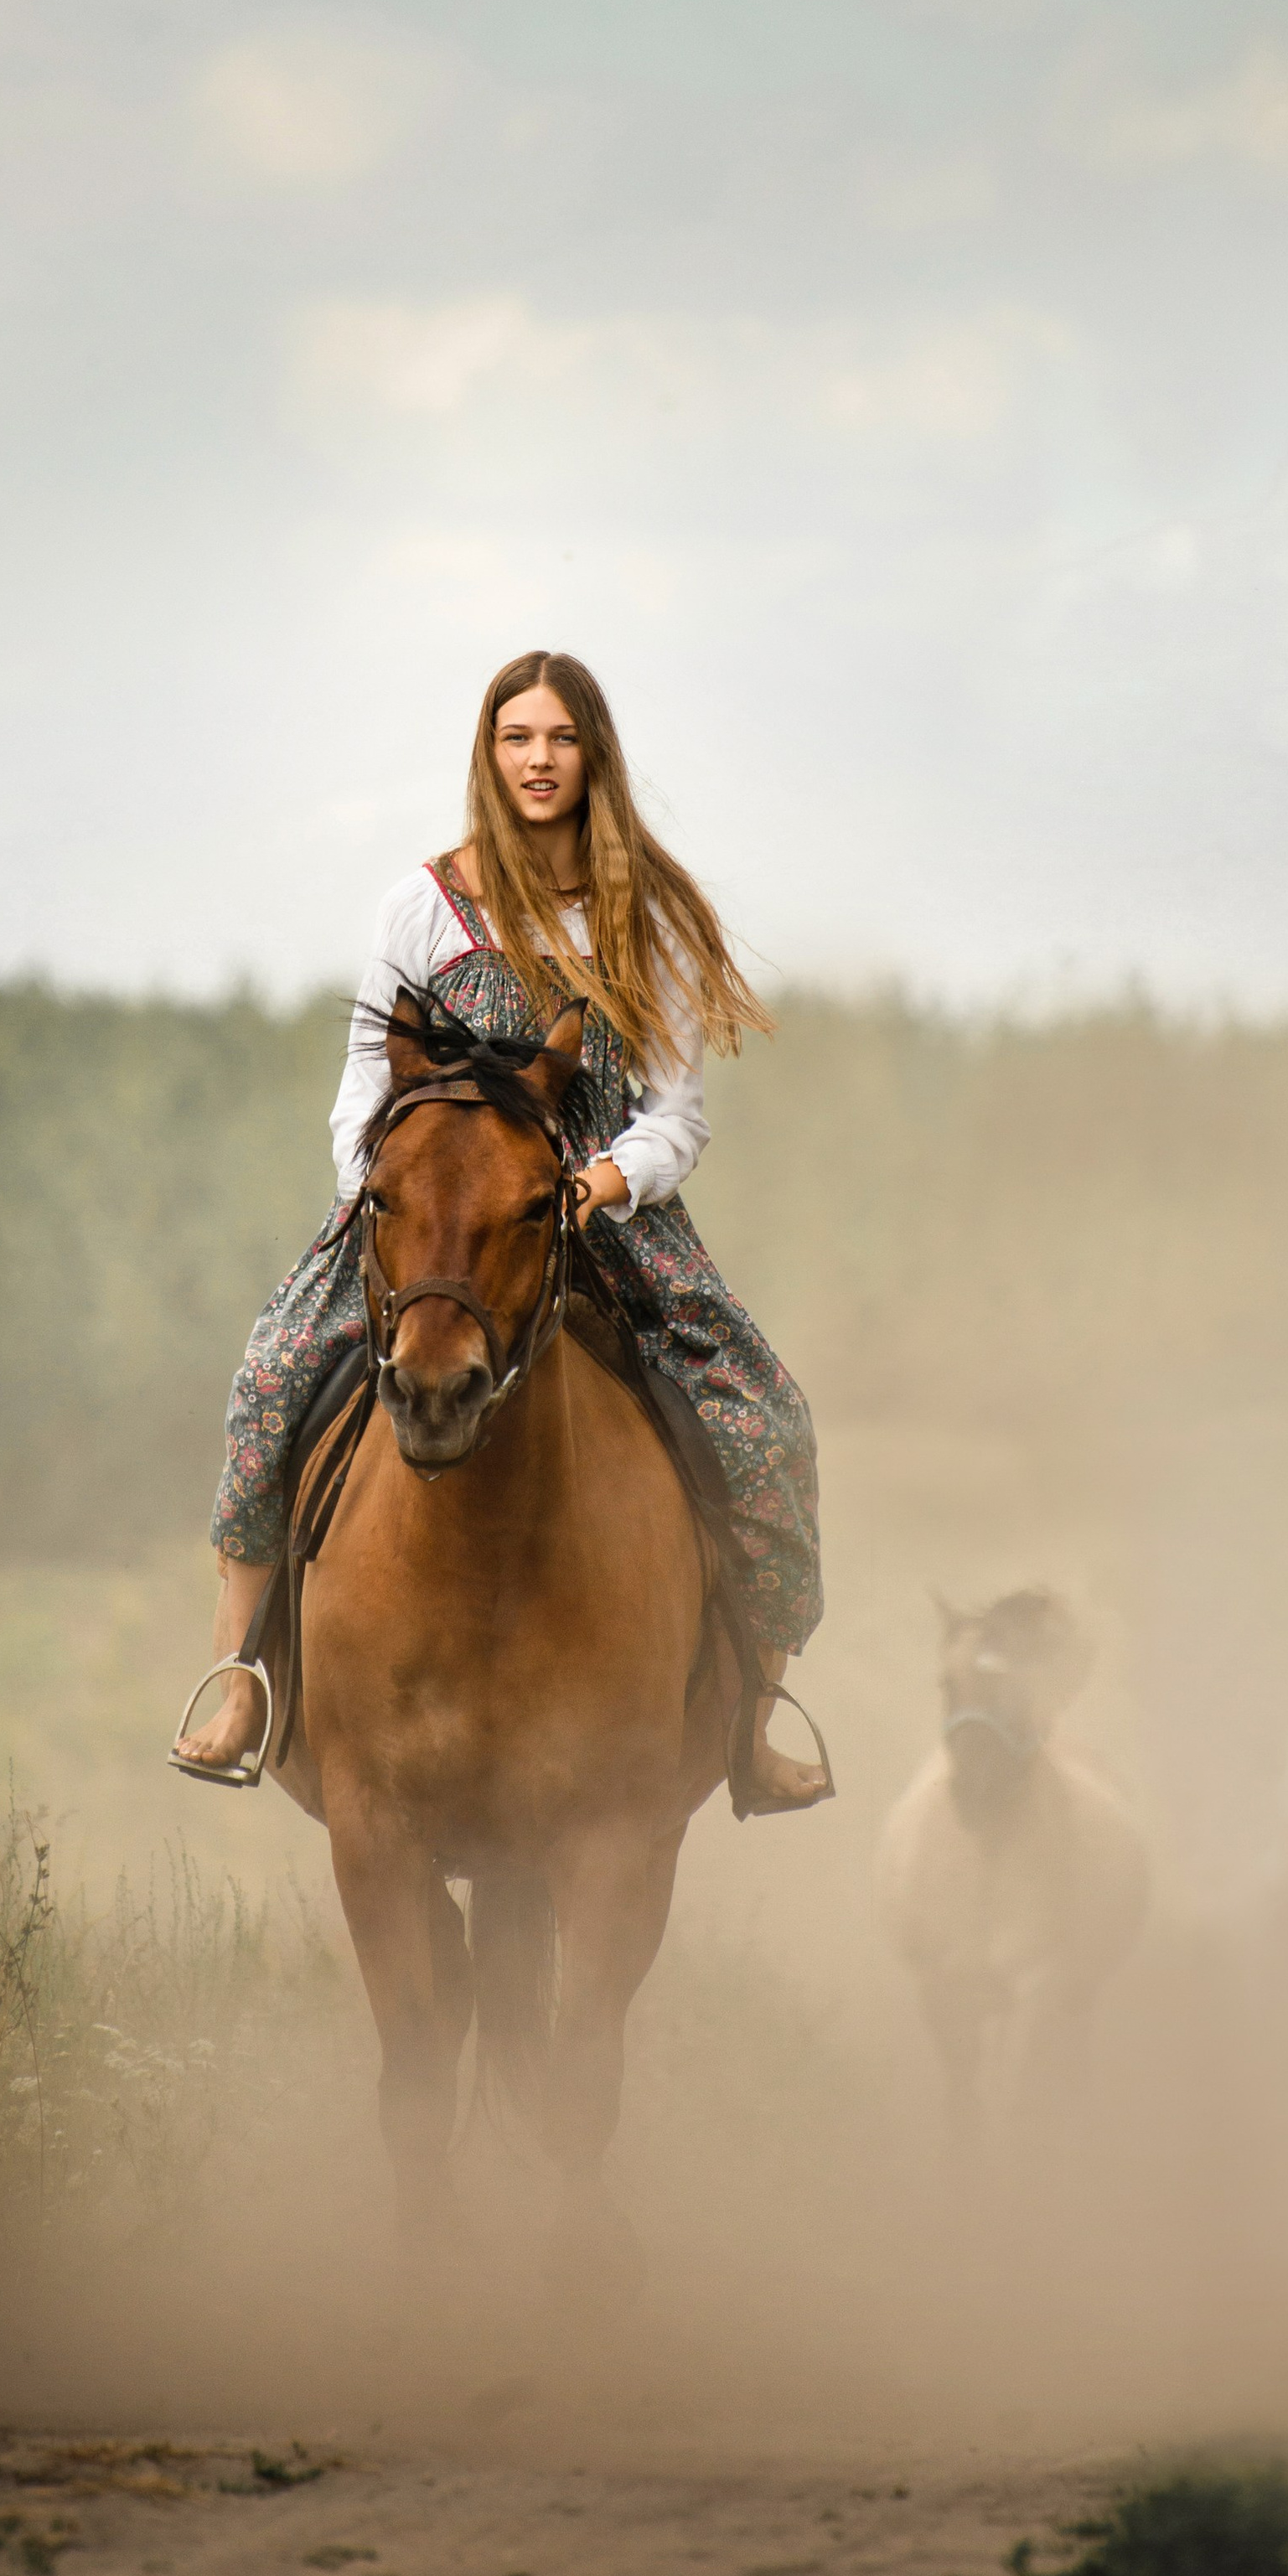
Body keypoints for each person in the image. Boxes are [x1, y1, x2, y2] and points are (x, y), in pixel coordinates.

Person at [172, 647, 826, 1812]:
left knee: (765, 1418)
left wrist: (602, 1184)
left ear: (593, 757)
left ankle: (753, 1719)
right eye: (517, 739)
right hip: (428, 1218)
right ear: (490, 754)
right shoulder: (420, 902)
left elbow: (678, 1114)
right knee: (269, 1380)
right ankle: (238, 1678)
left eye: (560, 740)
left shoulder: (647, 917)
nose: (538, 760)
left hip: (592, 1215)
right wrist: (395, 1195)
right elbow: (361, 1090)